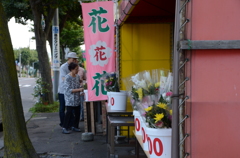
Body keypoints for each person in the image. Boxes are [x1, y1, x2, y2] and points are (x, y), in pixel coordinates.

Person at [62, 62, 84, 134]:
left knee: (78, 113)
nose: (77, 71)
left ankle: (75, 126)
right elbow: (68, 90)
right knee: (68, 113)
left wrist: (81, 89)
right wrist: (79, 90)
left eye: (78, 69)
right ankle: (65, 127)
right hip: (70, 99)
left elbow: (78, 86)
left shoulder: (77, 77)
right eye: (76, 69)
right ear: (71, 69)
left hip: (77, 98)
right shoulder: (67, 77)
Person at [58, 52, 78, 127]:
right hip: (63, 91)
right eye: (73, 59)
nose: (75, 60)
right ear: (69, 59)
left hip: (70, 91)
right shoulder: (63, 67)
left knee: (70, 108)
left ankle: (70, 124)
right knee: (62, 108)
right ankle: (63, 124)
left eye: (75, 59)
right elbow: (63, 78)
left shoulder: (74, 66)